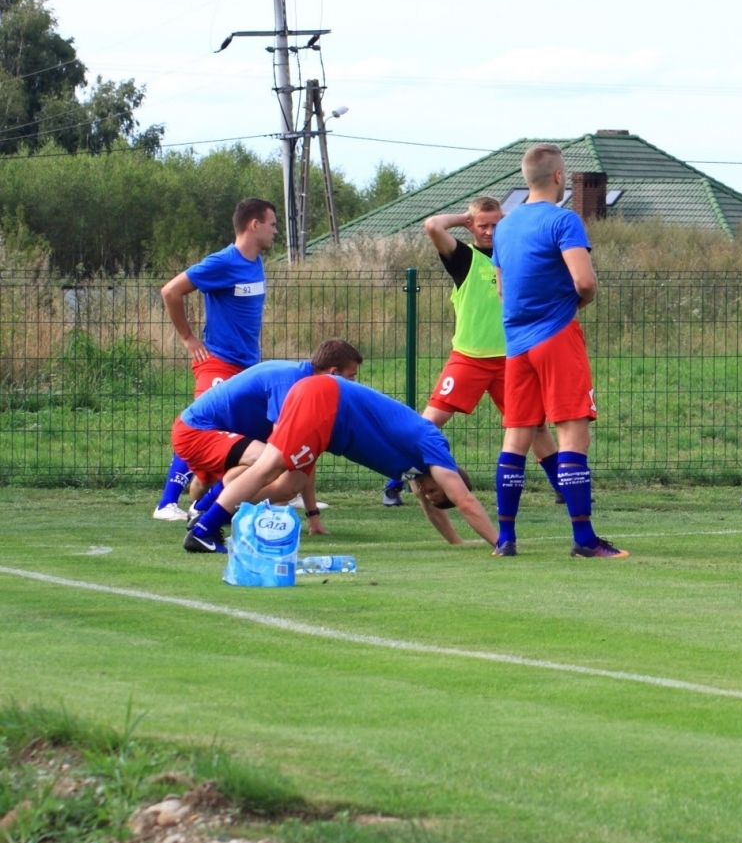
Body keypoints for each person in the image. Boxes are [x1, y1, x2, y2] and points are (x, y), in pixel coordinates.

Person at [380, 197, 565, 512]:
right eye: (484, 225)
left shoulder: (515, 256)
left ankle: (562, 487)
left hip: (511, 360)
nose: (491, 231)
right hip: (468, 358)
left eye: (497, 225)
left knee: (535, 426)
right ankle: (394, 482)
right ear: (471, 227)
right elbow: (432, 225)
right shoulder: (464, 257)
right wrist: (467, 216)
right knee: (428, 424)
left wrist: (507, 219)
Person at [488, 143, 624, 558]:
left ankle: (506, 539)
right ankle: (584, 539)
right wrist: (574, 304)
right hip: (556, 336)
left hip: (516, 344)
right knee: (572, 433)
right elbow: (585, 283)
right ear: (560, 178)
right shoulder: (564, 220)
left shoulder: (505, 227)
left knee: (517, 436)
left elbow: (501, 288)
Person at [184, 375, 499, 552]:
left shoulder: (418, 469)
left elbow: (426, 500)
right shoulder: (434, 446)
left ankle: (205, 510)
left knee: (289, 484)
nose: (429, 495)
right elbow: (464, 499)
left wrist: (455, 540)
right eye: (436, 491)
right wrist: (500, 542)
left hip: (324, 410)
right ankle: (205, 529)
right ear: (444, 479)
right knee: (268, 468)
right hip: (324, 402)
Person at [171, 339, 364, 548]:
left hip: (213, 432)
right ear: (334, 372)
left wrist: (313, 516)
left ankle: (205, 510)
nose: (352, 384)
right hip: (195, 430)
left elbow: (303, 454)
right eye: (351, 376)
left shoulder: (305, 383)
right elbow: (282, 452)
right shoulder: (291, 383)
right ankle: (205, 522)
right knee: (277, 470)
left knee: (288, 479)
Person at [153, 198, 278, 520]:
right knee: (200, 423)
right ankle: (167, 503)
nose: (276, 231)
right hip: (218, 361)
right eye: (273, 224)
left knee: (260, 427)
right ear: (254, 225)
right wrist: (188, 339)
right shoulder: (223, 261)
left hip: (248, 365)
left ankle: (220, 498)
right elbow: (171, 291)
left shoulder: (256, 263)